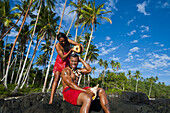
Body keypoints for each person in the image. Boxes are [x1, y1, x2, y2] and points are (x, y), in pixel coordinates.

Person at [49, 33, 83, 104]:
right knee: (56, 78)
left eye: (64, 40)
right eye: (61, 41)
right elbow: (62, 57)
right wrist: (70, 50)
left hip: (67, 62)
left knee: (66, 80)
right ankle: (51, 99)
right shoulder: (57, 46)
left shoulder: (68, 41)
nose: (63, 42)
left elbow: (77, 44)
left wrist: (80, 46)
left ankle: (65, 98)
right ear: (58, 41)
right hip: (60, 62)